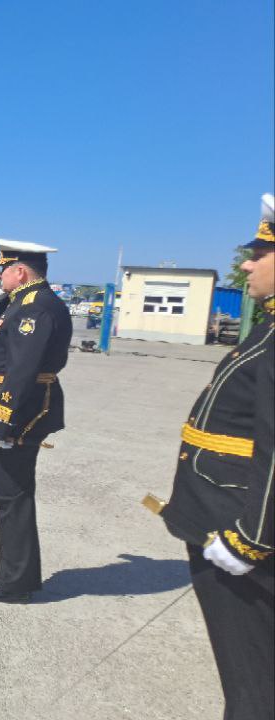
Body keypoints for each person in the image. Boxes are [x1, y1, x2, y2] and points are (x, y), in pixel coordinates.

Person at [157, 193, 273, 719]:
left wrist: (252, 541)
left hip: (239, 531)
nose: (248, 263)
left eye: (260, 252)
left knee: (253, 678)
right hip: (227, 516)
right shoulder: (267, 327)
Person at [0, 239, 72, 603]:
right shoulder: (25, 302)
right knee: (10, 496)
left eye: (3, 270)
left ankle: (14, 581)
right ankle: (14, 570)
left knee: (12, 496)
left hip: (18, 413)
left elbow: (23, 370)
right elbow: (2, 326)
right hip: (12, 408)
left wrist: (1, 422)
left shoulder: (35, 308)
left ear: (20, 271)